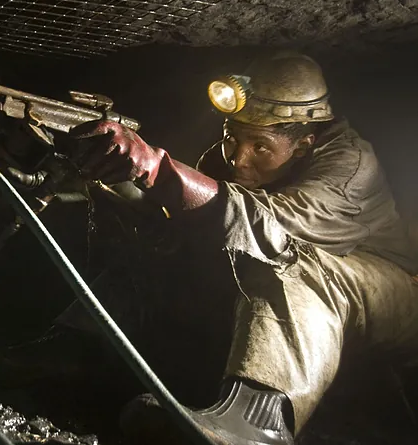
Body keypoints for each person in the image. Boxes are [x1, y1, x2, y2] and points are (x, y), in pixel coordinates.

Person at [61, 51, 418, 444]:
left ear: (303, 145)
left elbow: (270, 228)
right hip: (312, 303)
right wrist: (111, 178)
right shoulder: (226, 160)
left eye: (260, 147)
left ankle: (256, 428)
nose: (238, 158)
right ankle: (70, 353)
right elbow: (181, 228)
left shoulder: (350, 165)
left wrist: (158, 170)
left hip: (391, 296)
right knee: (153, 250)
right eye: (232, 137)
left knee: (293, 265)